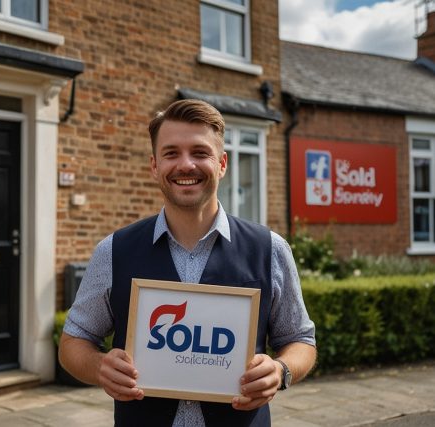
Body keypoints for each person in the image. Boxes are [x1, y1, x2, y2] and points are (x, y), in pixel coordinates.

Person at [59, 99, 316, 427]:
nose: (186, 165)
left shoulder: (271, 250)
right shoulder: (114, 250)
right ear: (154, 166)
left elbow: (300, 340)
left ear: (222, 164)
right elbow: (73, 341)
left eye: (199, 152)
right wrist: (98, 367)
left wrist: (281, 371)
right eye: (171, 153)